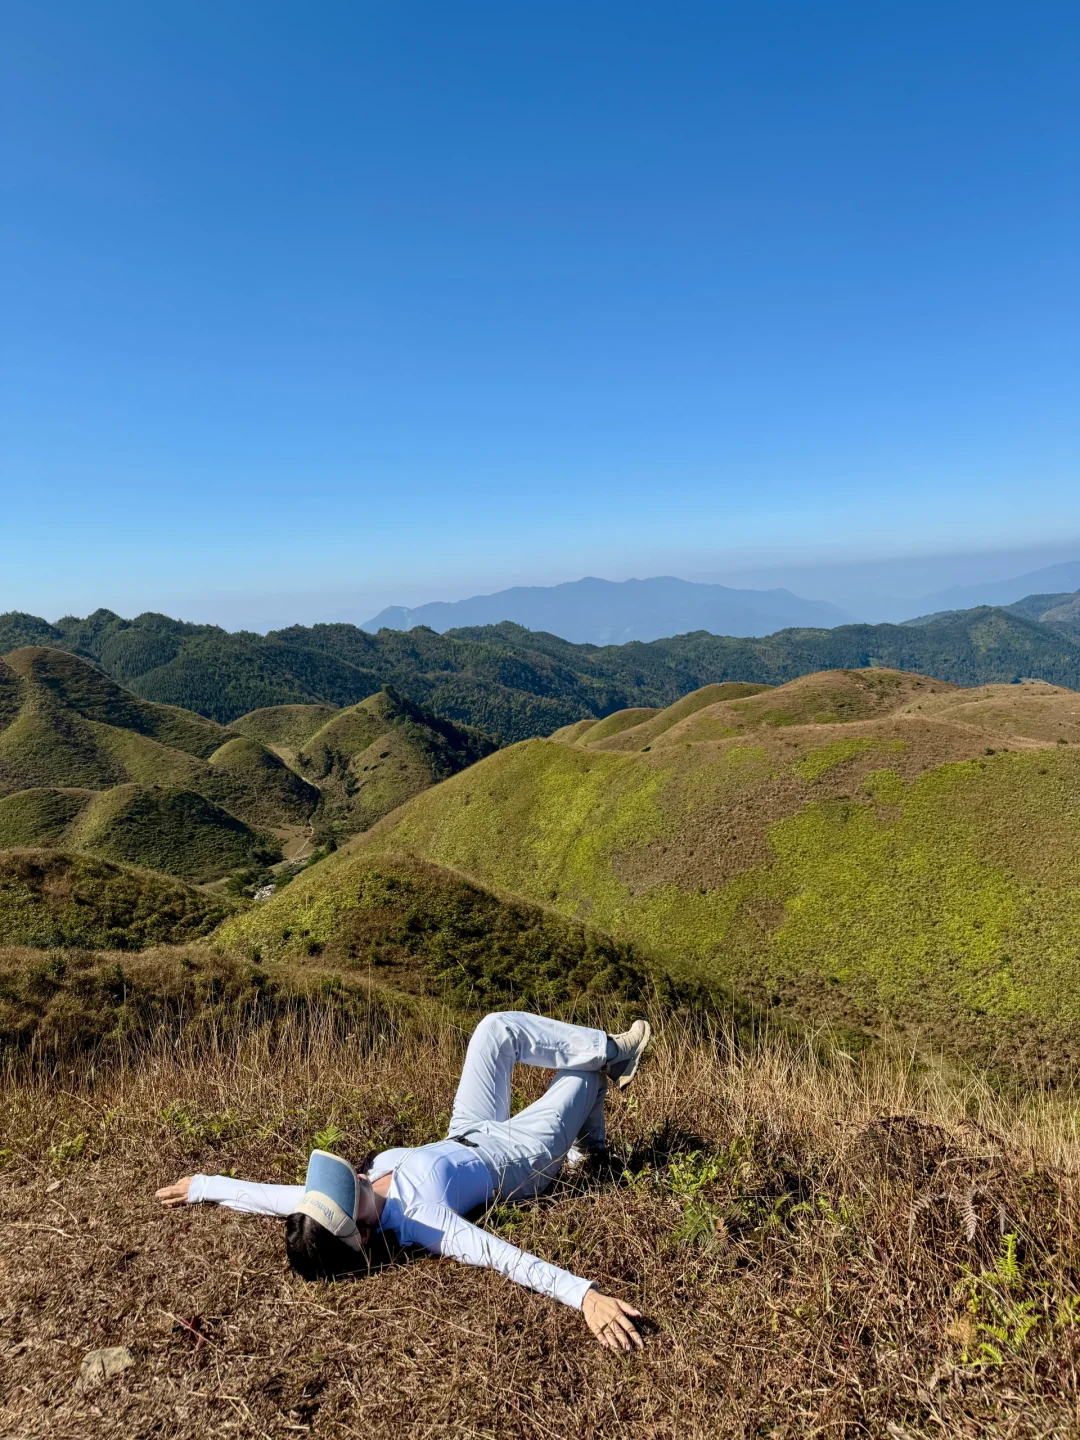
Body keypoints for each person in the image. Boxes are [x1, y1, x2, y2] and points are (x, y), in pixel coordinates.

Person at [156, 1010, 652, 1350]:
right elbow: (503, 1258)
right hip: (522, 1158)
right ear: (363, 1235)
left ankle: (611, 1050)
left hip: (469, 1128)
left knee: (494, 1029)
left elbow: (259, 1196)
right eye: (346, 1190)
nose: (347, 1175)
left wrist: (201, 1184)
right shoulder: (421, 1221)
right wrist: (584, 1296)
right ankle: (590, 1150)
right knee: (586, 1077)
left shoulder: (331, 1205)